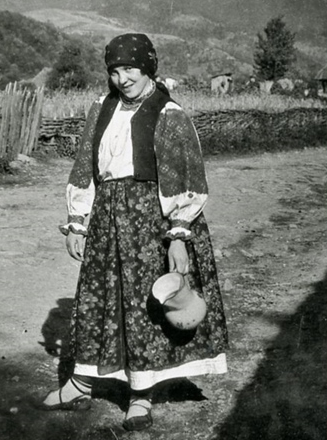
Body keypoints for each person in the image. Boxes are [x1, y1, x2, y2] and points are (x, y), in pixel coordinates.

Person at [41, 33, 228, 431]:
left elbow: (184, 173)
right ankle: (81, 380)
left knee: (141, 306)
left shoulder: (168, 113)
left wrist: (178, 233)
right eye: (115, 71)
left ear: (147, 69)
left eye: (130, 69)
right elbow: (84, 168)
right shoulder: (102, 109)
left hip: (149, 221)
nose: (122, 78)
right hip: (108, 218)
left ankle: (140, 394)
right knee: (97, 298)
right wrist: (77, 222)